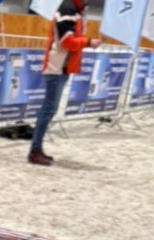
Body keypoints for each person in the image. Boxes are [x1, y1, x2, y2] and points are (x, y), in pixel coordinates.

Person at [28, 0, 101, 165]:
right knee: (48, 109)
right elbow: (66, 41)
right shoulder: (68, 9)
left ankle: (36, 149)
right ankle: (35, 150)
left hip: (62, 67)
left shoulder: (76, 10)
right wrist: (88, 42)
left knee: (49, 109)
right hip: (56, 67)